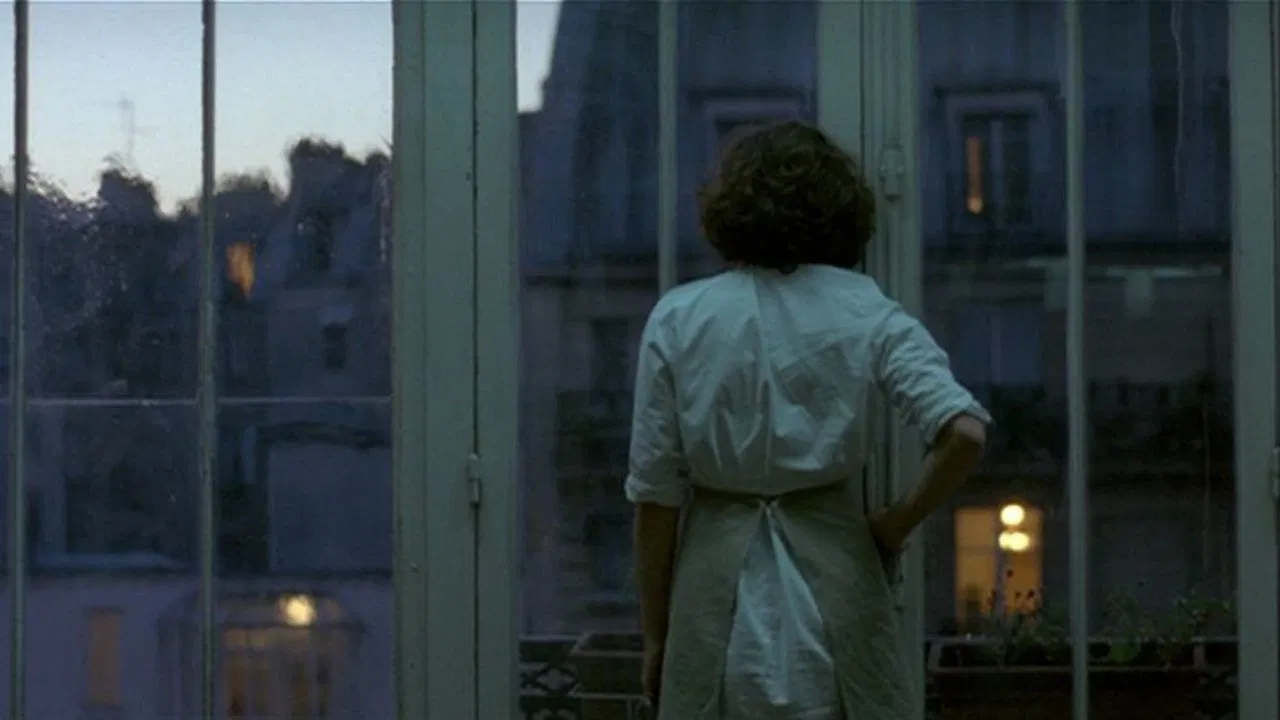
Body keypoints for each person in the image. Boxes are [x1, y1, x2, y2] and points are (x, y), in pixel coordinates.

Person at [625, 120, 990, 720]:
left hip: (716, 610)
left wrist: (656, 638)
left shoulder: (679, 317)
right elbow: (965, 432)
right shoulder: (864, 307)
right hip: (837, 603)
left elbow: (655, 499)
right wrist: (894, 525)